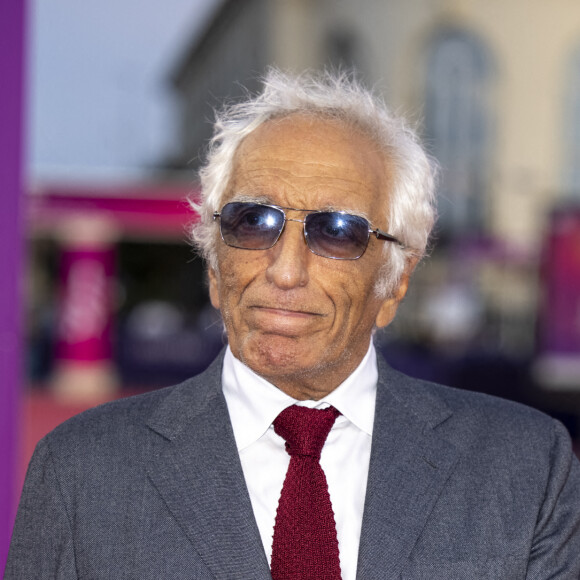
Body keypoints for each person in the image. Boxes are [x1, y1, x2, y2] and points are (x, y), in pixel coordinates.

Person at [6, 69, 580, 580]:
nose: (284, 270)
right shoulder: (81, 469)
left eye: (336, 231)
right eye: (252, 222)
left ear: (396, 281)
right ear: (213, 262)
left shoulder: (527, 466)